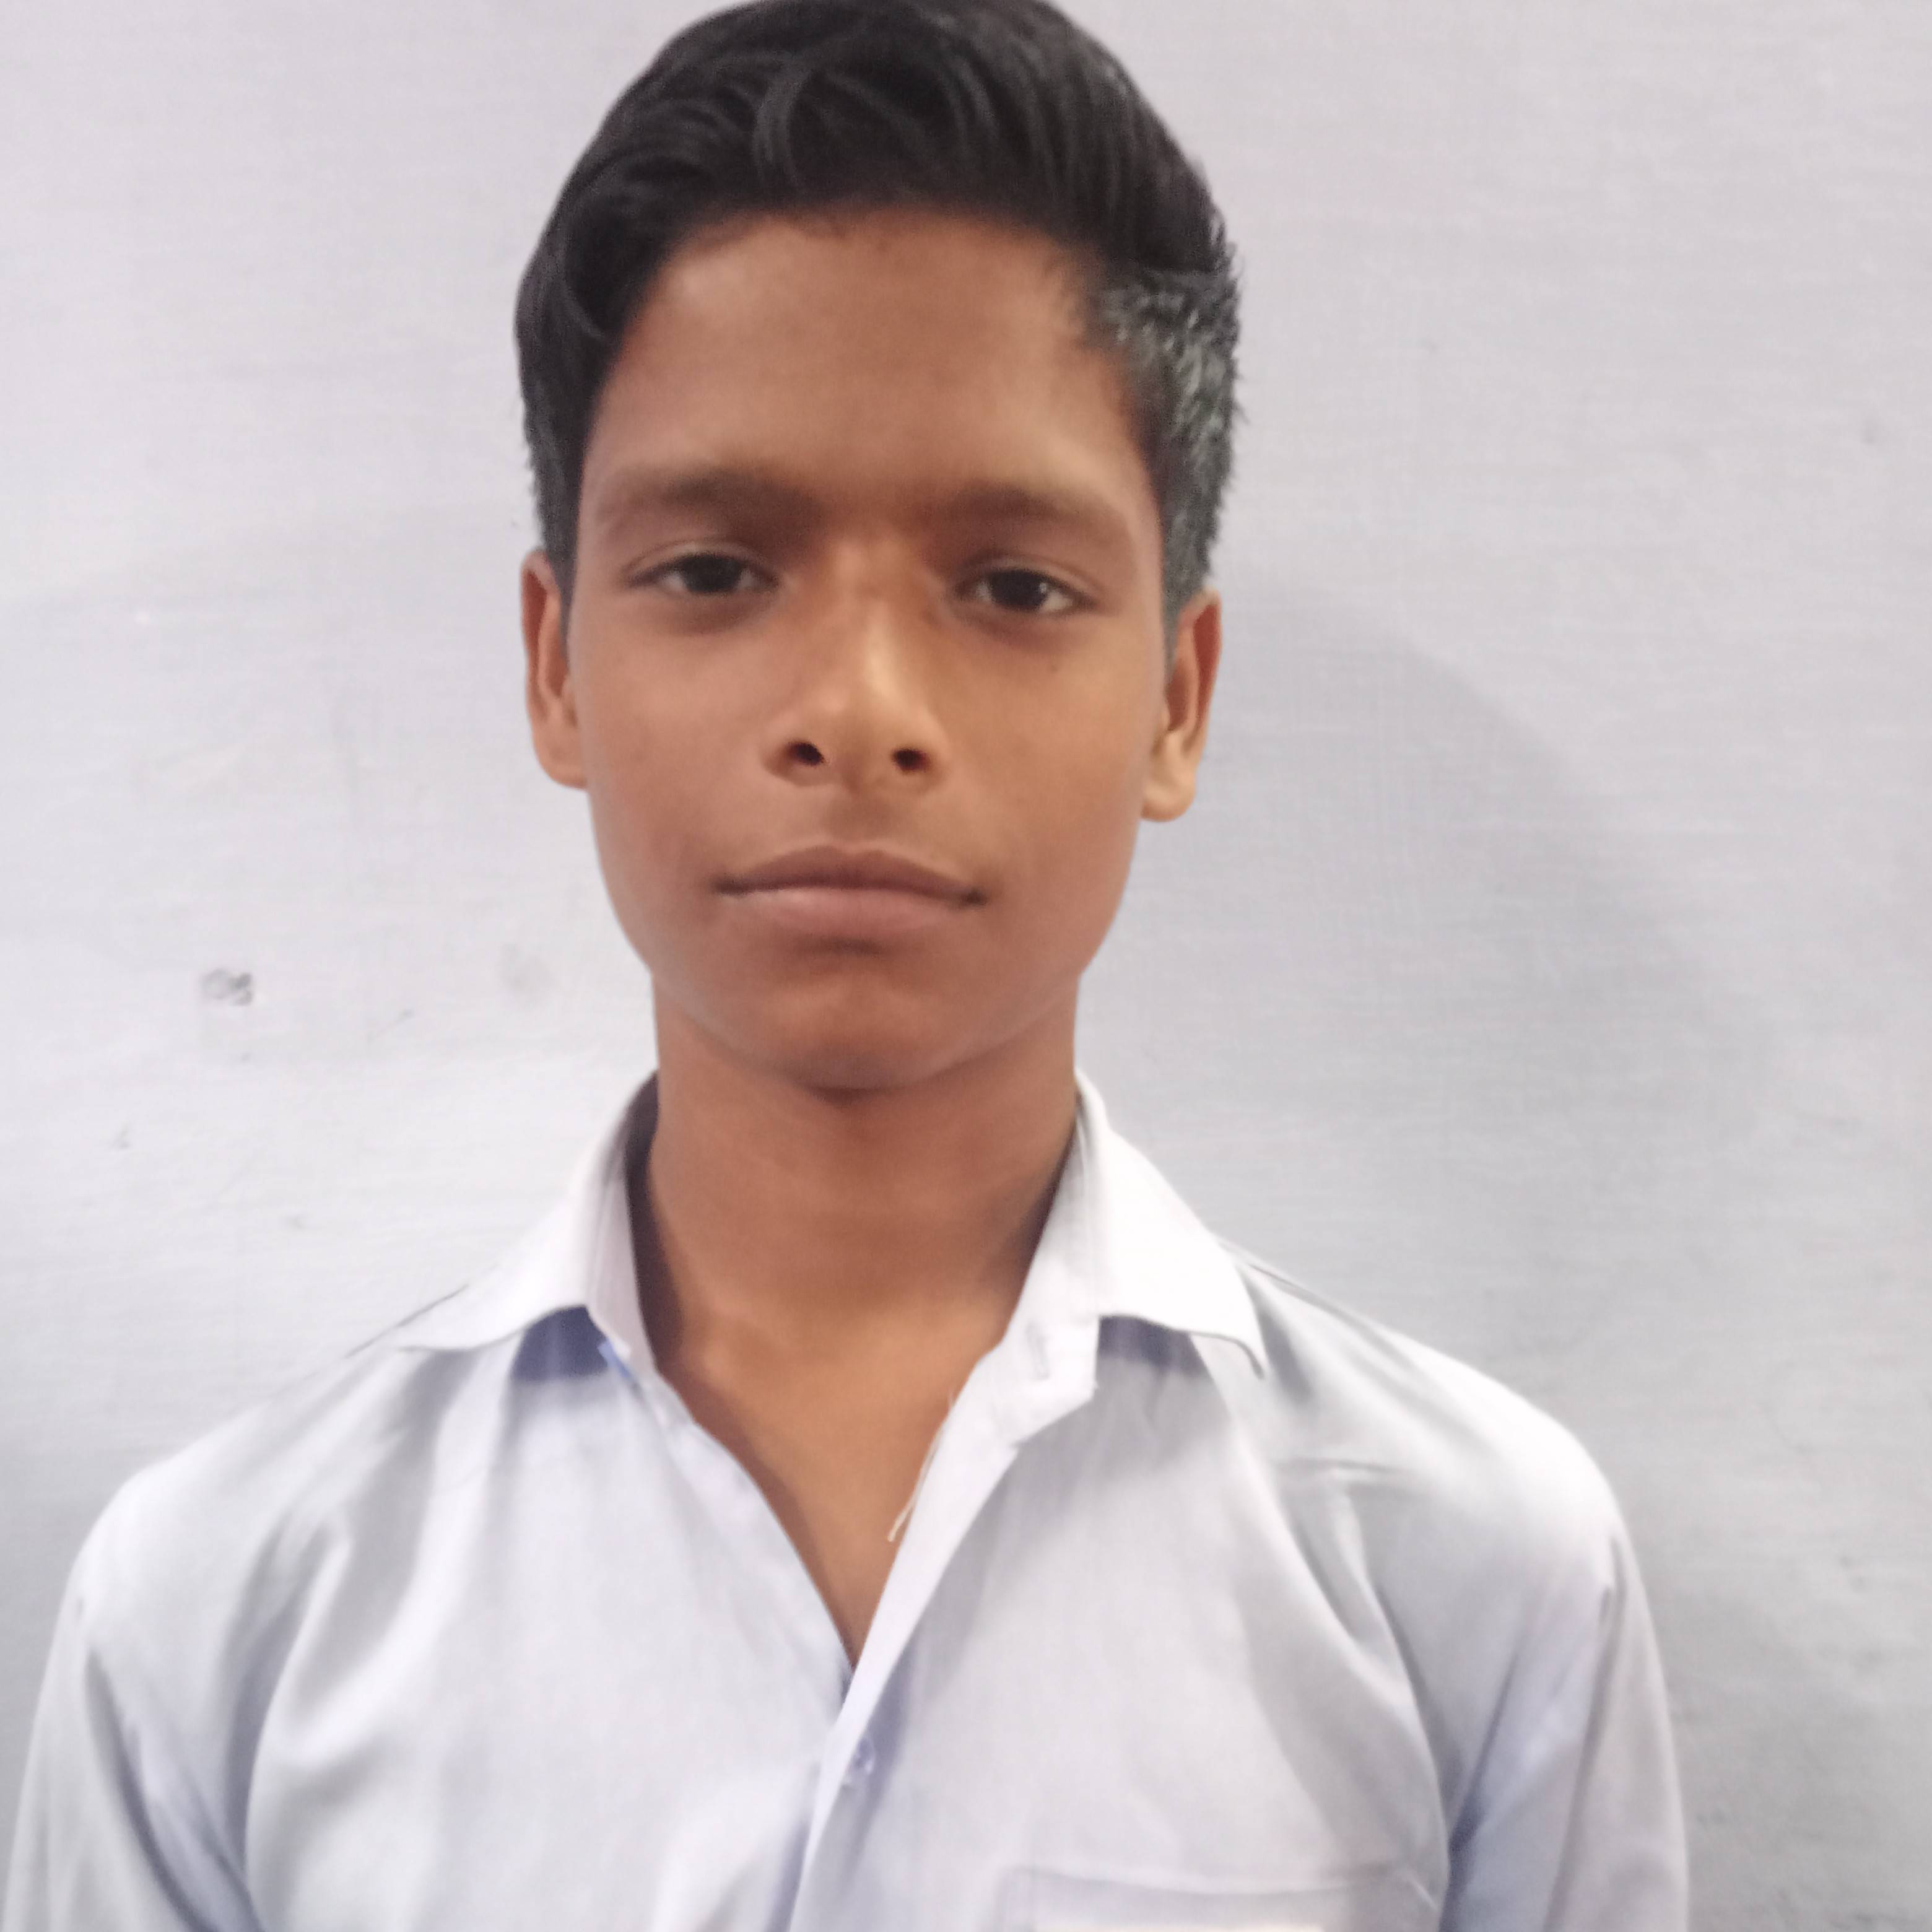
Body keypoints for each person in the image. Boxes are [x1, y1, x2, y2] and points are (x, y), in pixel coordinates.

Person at [3, 1, 1688, 1926]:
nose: (861, 711)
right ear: (558, 667)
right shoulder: (222, 1612)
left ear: (1176, 696)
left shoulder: (1472, 1573)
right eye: (717, 570)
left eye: (1015, 585)